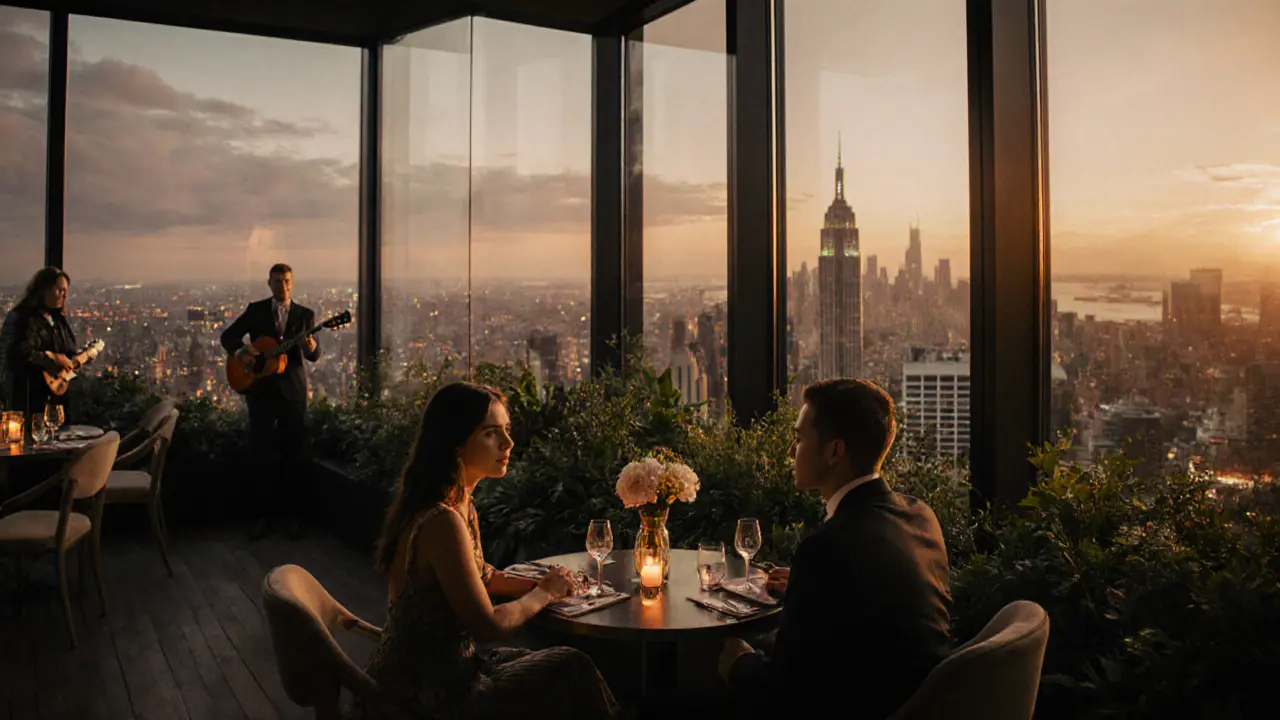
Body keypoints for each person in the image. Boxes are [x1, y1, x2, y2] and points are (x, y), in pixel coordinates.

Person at [358, 382, 619, 720]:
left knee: (554, 662)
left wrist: (548, 585)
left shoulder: (459, 500)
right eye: (490, 433)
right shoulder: (441, 521)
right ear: (455, 444)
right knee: (572, 666)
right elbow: (487, 627)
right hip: (423, 695)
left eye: (507, 431)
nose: (508, 443)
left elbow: (482, 575)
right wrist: (542, 593)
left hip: (446, 669)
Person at [718, 378, 952, 720]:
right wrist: (805, 589)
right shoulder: (920, 515)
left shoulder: (828, 548)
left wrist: (738, 663)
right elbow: (869, 608)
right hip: (920, 701)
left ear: (834, 451)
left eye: (798, 439)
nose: (789, 451)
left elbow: (780, 695)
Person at [219, 263, 320, 540]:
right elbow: (227, 336)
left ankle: (292, 516)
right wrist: (244, 354)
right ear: (269, 284)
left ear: (293, 283)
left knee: (293, 453)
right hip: (260, 390)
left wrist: (311, 346)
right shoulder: (255, 311)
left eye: (287, 281)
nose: (282, 286)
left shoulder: (305, 316)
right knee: (261, 452)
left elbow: (313, 355)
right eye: (277, 282)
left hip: (292, 392)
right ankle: (264, 516)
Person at [1, 267, 80, 421]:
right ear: (43, 290)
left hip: (56, 398)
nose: (64, 295)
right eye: (59, 290)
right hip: (28, 396)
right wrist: (53, 360)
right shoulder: (21, 318)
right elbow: (16, 352)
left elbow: (69, 349)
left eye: (66, 290)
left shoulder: (58, 320)